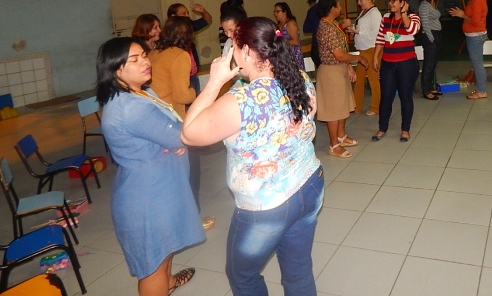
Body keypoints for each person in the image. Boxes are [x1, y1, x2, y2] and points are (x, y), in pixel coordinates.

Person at [180, 17, 323, 294]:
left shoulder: (240, 101)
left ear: (246, 51)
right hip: (309, 184)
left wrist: (214, 83)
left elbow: (189, 134)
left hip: (268, 205)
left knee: (242, 275)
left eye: (233, 47)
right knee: (298, 270)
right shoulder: (299, 77)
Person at [96, 37, 203, 296]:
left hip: (161, 188)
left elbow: (174, 129)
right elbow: (183, 135)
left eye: (144, 55)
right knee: (153, 265)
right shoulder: (130, 108)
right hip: (148, 197)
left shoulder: (142, 92)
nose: (145, 61)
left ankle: (169, 282)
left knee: (166, 249)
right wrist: (179, 138)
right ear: (115, 69)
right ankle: (161, 283)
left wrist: (174, 137)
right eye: (134, 60)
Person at [148, 16, 214, 232]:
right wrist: (198, 92)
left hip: (156, 119)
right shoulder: (180, 55)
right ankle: (192, 220)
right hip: (174, 120)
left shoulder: (155, 52)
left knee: (171, 175)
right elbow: (181, 95)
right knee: (191, 171)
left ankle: (172, 219)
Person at [315, 0, 369, 157]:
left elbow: (342, 51)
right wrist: (358, 58)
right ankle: (334, 145)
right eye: (338, 5)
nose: (340, 8)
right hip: (331, 72)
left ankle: (341, 136)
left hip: (339, 69)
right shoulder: (326, 27)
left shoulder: (332, 25)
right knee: (334, 109)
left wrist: (348, 66)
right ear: (332, 8)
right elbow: (339, 55)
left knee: (342, 105)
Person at [373, 0, 421, 142]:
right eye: (389, 0)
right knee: (386, 97)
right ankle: (382, 128)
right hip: (388, 63)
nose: (390, 3)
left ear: (402, 3)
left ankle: (405, 129)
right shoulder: (386, 18)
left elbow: (412, 30)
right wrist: (375, 57)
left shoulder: (413, 17)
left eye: (394, 1)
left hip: (407, 64)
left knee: (405, 96)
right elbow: (380, 39)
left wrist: (405, 13)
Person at [343, 0, 382, 115]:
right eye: (358, 0)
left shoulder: (375, 13)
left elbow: (376, 33)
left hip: (371, 49)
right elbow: (362, 29)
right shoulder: (363, 12)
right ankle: (356, 106)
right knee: (359, 79)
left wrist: (358, 32)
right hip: (362, 50)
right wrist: (353, 30)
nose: (359, 3)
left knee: (373, 79)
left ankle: (376, 107)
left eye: (361, 0)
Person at [449, 0, 489, 99]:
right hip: (476, 35)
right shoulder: (476, 0)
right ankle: (481, 90)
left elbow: (475, 22)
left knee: (477, 64)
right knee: (477, 64)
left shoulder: (477, 0)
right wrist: (461, 14)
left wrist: (462, 15)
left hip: (475, 36)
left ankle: (482, 91)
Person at [167, 2, 212, 95]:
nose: (187, 16)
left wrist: (203, 11)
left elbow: (207, 20)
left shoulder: (189, 25)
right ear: (173, 16)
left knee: (195, 96)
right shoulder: (168, 35)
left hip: (193, 73)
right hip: (181, 74)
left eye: (187, 13)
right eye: (184, 14)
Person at [419, 0, 443, 100]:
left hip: (436, 35)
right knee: (428, 65)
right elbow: (425, 24)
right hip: (430, 36)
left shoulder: (431, 4)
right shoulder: (424, 5)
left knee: (433, 64)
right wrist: (432, 39)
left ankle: (430, 86)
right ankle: (426, 91)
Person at [303, 0, 333, 68]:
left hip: (315, 47)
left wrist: (315, 27)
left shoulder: (311, 10)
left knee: (320, 71)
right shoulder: (327, 9)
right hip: (326, 47)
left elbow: (306, 28)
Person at [273, 1, 304, 70]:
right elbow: (279, 37)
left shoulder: (290, 23)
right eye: (274, 12)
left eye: (277, 11)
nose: (275, 14)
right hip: (284, 56)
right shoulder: (279, 25)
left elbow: (296, 41)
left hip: (292, 56)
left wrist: (281, 42)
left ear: (285, 12)